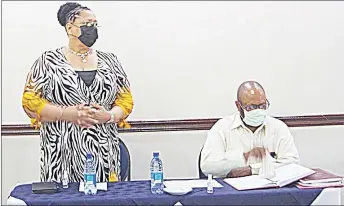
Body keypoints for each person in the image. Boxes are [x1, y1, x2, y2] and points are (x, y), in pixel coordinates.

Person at [21, 2, 134, 182]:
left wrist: (110, 116)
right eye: (87, 24)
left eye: (95, 24)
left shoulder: (110, 60)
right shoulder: (48, 61)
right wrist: (66, 114)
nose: (93, 29)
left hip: (104, 154)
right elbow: (29, 103)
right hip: (62, 154)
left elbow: (125, 100)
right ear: (70, 28)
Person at [200, 81, 300, 178]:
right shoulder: (222, 128)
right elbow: (207, 167)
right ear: (238, 106)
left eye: (262, 106)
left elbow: (293, 162)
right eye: (251, 107)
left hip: (270, 189)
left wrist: (252, 169)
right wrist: (243, 158)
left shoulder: (278, 127)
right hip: (232, 191)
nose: (258, 111)